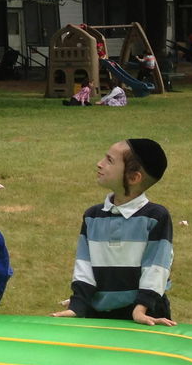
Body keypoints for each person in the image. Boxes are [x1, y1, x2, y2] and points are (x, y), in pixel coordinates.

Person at [54, 139, 175, 326]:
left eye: (110, 160)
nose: (99, 163)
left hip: (143, 315)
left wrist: (141, 309)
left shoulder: (155, 217)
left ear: (134, 178)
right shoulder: (92, 216)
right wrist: (77, 306)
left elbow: (156, 267)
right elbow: (84, 265)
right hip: (98, 315)